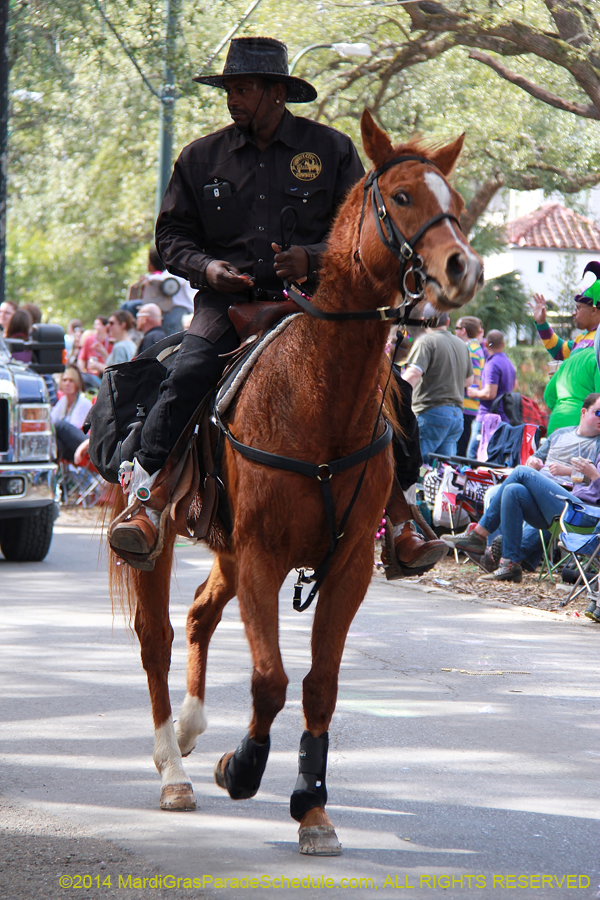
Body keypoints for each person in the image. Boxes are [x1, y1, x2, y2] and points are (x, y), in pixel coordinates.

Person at [109, 36, 446, 578]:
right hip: (227, 305)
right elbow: (170, 236)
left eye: (242, 89)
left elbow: (362, 230)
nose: (232, 99)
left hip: (313, 305)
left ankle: (405, 518)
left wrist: (313, 258)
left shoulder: (332, 150)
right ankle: (148, 500)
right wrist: (207, 269)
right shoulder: (199, 157)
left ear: (275, 93)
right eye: (229, 89)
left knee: (391, 388)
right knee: (189, 373)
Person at [444, 392, 600, 583]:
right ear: (583, 412)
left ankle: (479, 535)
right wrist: (533, 461)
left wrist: (582, 473)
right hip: (555, 498)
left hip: (581, 510)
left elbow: (591, 481)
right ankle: (510, 565)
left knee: (520, 473)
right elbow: (537, 458)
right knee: (513, 491)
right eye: (598, 413)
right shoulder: (561, 433)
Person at [534, 263, 600, 433]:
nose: (574, 313)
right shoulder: (581, 339)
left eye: (578, 308)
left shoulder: (596, 340)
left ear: (594, 310)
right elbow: (558, 350)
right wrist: (542, 323)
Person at [401, 309, 474, 464]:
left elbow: (413, 374)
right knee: (442, 470)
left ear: (423, 320)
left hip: (431, 412)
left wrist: (393, 394)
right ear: (447, 322)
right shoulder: (461, 345)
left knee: (415, 465)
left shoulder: (426, 341)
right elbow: (468, 381)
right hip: (456, 416)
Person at [465, 329, 516, 456]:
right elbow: (515, 385)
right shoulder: (508, 363)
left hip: (487, 418)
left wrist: (474, 393)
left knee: (473, 455)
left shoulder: (492, 364)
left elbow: (490, 393)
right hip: (504, 417)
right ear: (503, 344)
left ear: (486, 344)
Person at [454, 315, 485, 457]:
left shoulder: (470, 350)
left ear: (463, 330)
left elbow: (473, 382)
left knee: (459, 453)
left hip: (466, 407)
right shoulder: (475, 348)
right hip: (470, 408)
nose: (454, 331)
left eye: (457, 328)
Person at [51, 366, 93, 462]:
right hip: (69, 447)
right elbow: (51, 421)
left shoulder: (84, 402)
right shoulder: (63, 401)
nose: (67, 383)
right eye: (65, 380)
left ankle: (87, 443)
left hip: (82, 443)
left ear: (77, 383)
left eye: (71, 381)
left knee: (60, 426)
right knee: (56, 443)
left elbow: (74, 428)